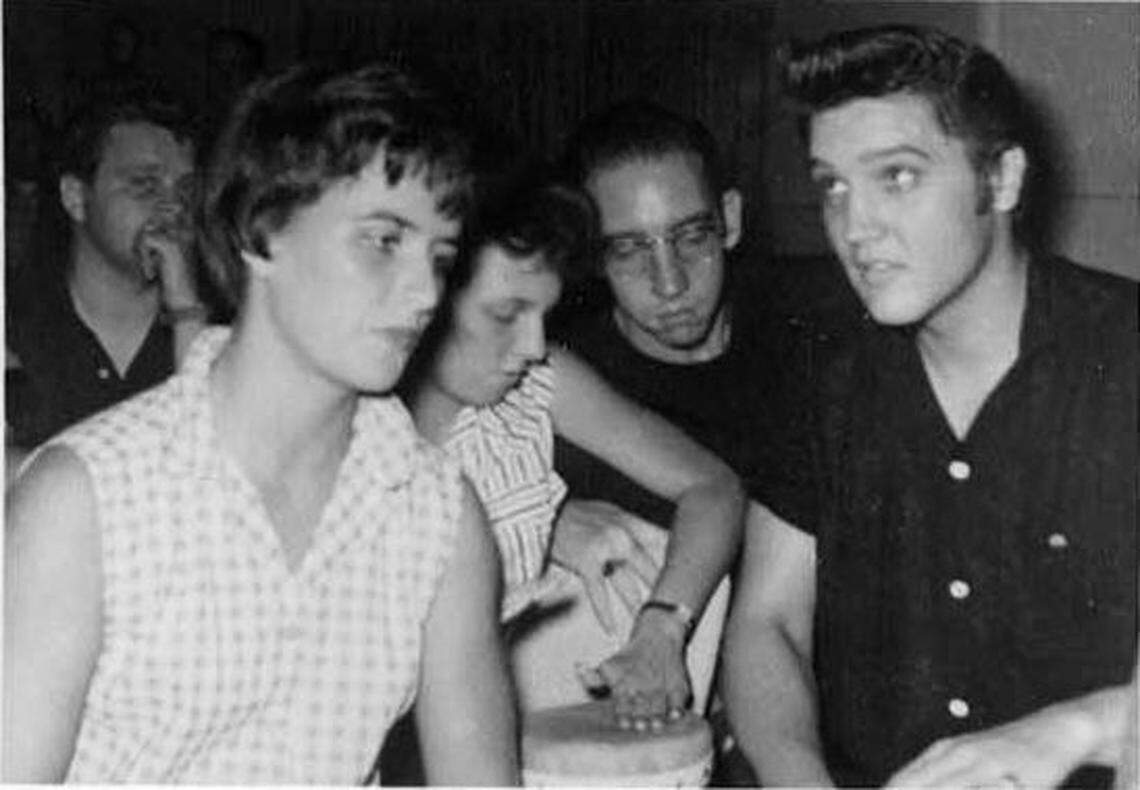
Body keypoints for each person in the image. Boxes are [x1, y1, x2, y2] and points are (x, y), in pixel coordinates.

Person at [3, 62, 517, 784]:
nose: (426, 290)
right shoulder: (87, 497)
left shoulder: (437, 514)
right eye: (383, 240)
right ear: (261, 232)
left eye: (442, 254)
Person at [721, 24, 1137, 788]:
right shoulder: (821, 367)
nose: (854, 226)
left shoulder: (1124, 360)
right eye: (831, 186)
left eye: (898, 177)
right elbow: (766, 622)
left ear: (1003, 180)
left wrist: (1071, 731)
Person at [402, 162, 746, 730]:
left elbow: (714, 488)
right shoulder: (359, 426)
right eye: (507, 313)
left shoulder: (533, 386)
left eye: (544, 313)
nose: (535, 344)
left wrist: (662, 626)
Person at [5, 82, 206, 452]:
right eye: (145, 185)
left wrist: (186, 308)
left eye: (185, 192)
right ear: (76, 198)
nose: (173, 208)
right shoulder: (17, 326)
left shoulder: (218, 332)